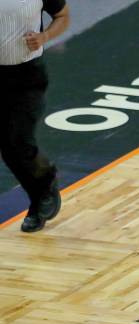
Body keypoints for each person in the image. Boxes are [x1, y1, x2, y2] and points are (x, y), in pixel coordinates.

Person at [0, 0, 70, 232]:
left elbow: (63, 16)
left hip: (26, 76)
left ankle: (43, 188)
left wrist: (44, 37)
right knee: (8, 148)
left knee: (17, 142)